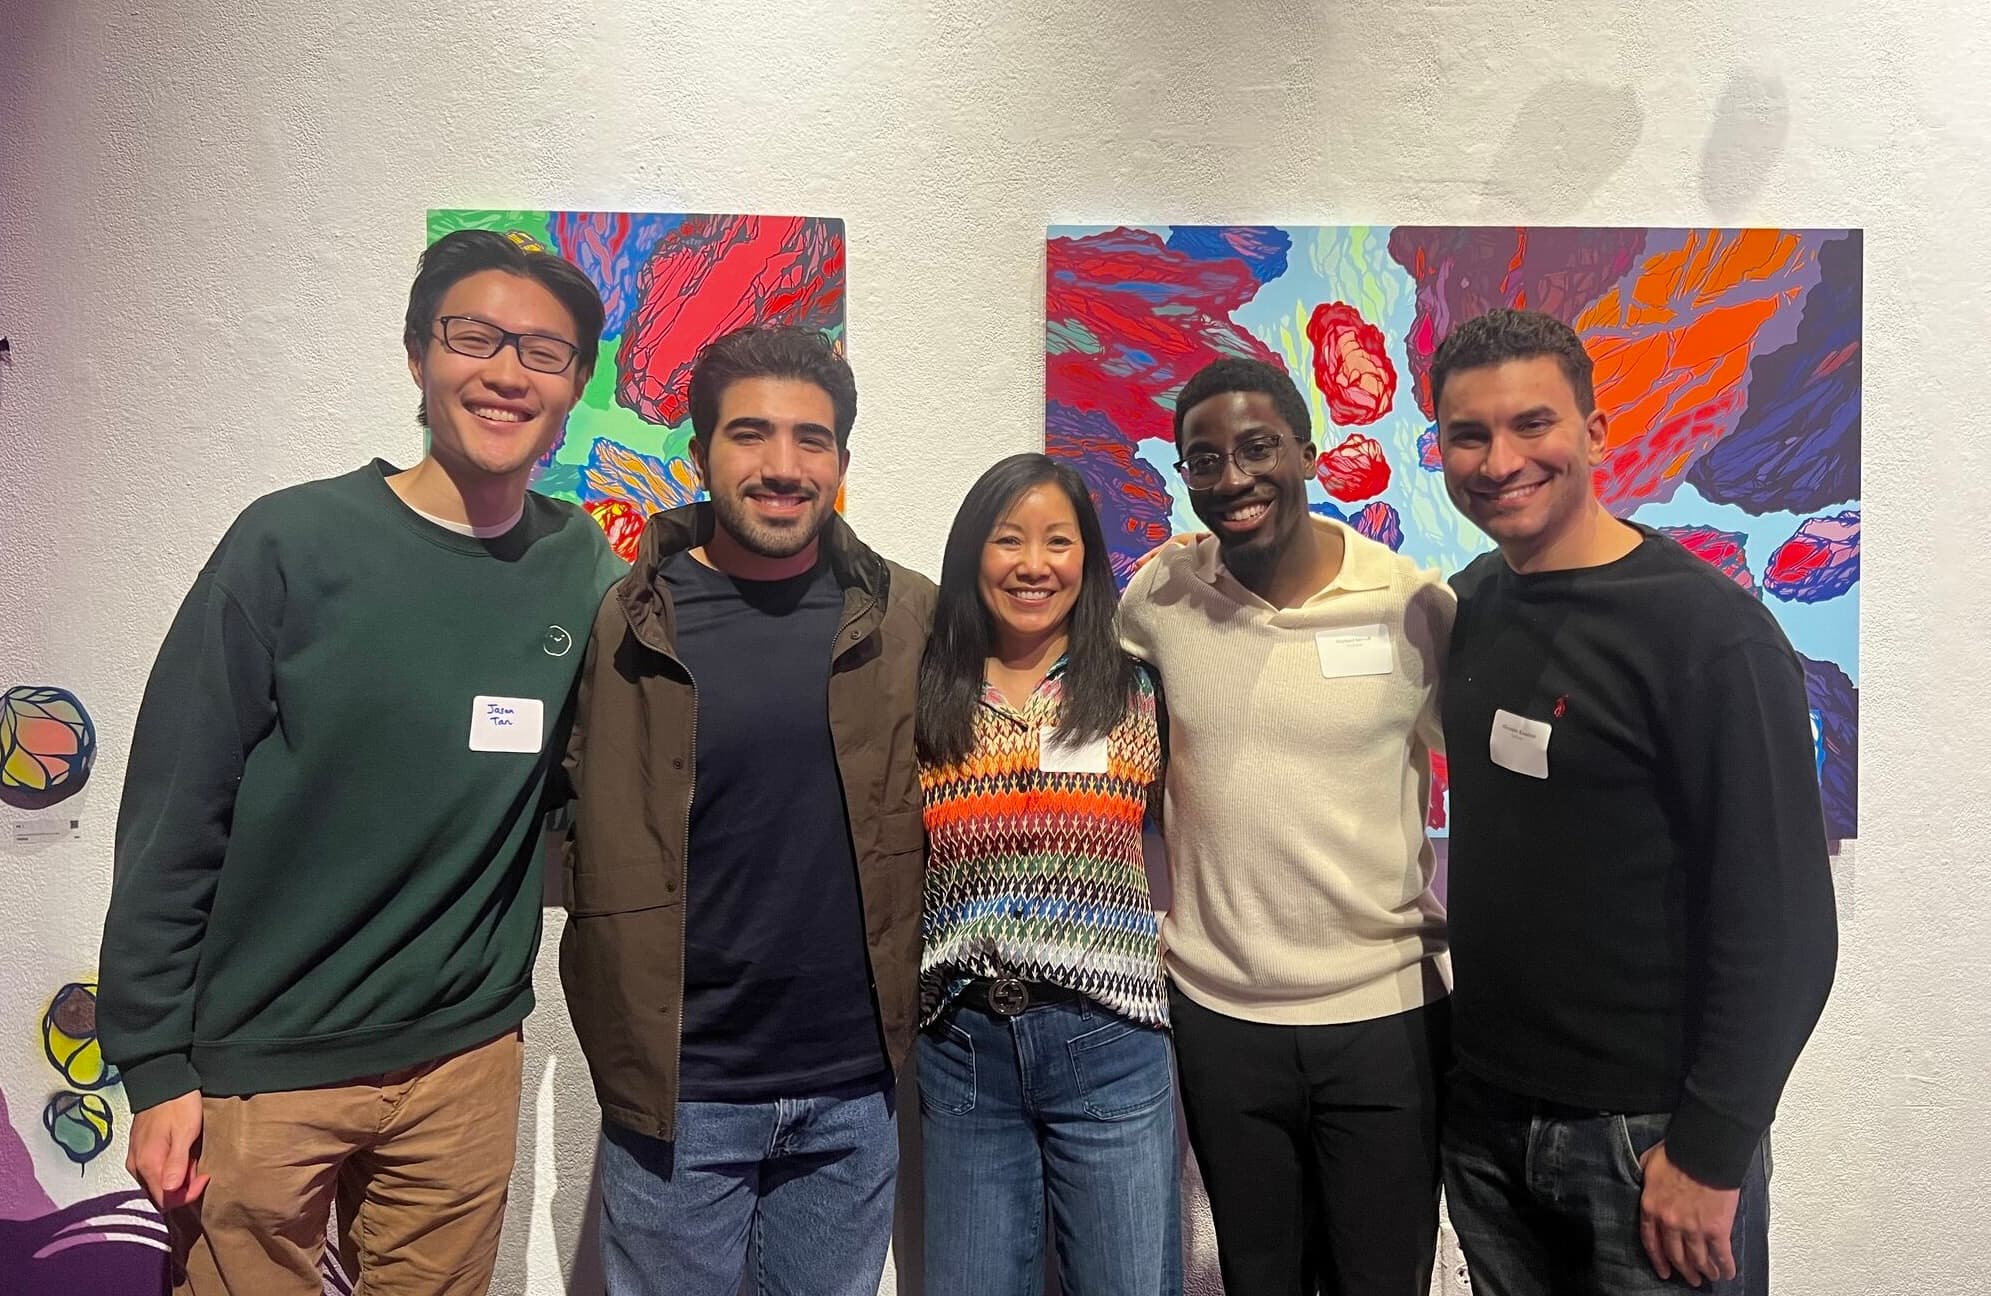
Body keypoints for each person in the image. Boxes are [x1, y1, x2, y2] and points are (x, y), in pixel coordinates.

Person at [98, 228, 624, 1295]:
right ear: (417, 356)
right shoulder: (291, 543)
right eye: (475, 337)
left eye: (544, 351)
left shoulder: (581, 570)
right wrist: (154, 1068)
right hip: (262, 1072)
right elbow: (174, 810)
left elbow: (589, 784)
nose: (506, 372)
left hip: (464, 1062)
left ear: (573, 387)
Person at [1431, 308, 1838, 1294]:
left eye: (1533, 424)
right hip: (1486, 1124)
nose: (1499, 460)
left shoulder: (1707, 636)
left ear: (1596, 432)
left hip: (1646, 1141)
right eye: (1467, 434)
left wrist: (1710, 1150)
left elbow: (1784, 926)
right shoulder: (1474, 603)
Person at [558, 325, 937, 1296]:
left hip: (854, 1096)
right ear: (698, 454)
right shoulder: (623, 623)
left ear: (843, 461)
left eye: (811, 440)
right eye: (750, 435)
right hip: (680, 1098)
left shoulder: (910, 620)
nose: (782, 466)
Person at [1119, 357, 1454, 1295]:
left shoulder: (1410, 605)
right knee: (1258, 1280)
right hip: (1221, 1017)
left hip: (1383, 1014)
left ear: (1307, 453)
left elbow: (1502, 777)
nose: (1233, 478)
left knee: (1381, 1279)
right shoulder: (1159, 601)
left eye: (1257, 448)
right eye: (1204, 459)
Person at [915, 452, 1178, 1295]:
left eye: (1057, 542)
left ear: (1087, 559)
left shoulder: (1137, 687)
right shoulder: (925, 692)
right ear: (972, 556)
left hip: (1109, 1037)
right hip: (964, 1048)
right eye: (1009, 541)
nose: (1034, 564)